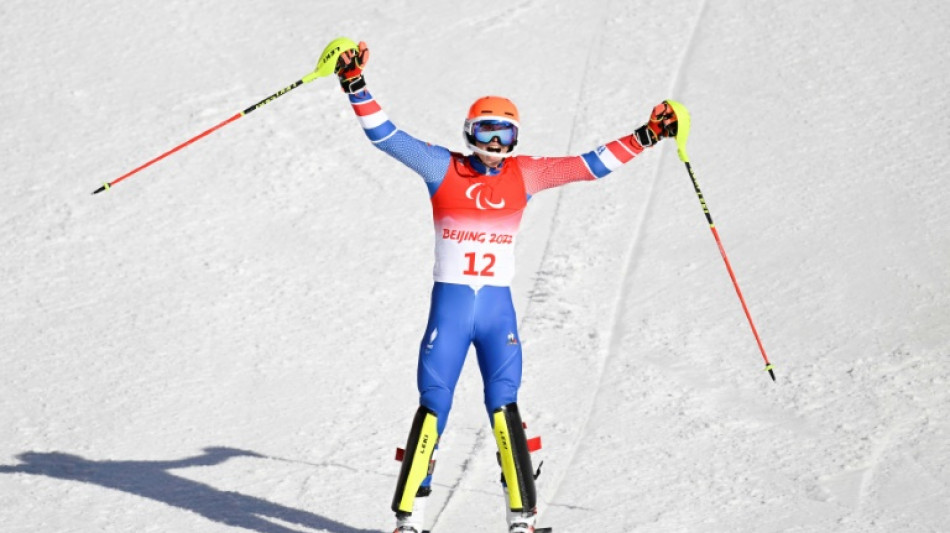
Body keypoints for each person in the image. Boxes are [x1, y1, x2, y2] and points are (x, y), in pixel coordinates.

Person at [334, 42, 677, 533]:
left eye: (505, 133)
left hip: (496, 314)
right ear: (468, 132)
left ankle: (522, 521)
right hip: (450, 314)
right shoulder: (442, 168)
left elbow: (589, 166)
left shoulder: (526, 173)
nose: (495, 144)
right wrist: (355, 85)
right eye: (485, 131)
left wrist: (647, 135)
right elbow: (387, 138)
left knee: (504, 407)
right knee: (434, 407)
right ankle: (407, 522)